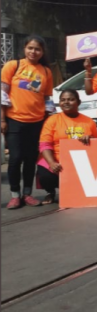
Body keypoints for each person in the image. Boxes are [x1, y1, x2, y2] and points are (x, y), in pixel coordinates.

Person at [1, 35, 55, 209]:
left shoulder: (46, 71)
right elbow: (2, 94)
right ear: (24, 48)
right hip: (14, 120)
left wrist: (48, 121)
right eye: (30, 48)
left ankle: (27, 194)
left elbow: (47, 99)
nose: (33, 52)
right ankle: (15, 195)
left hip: (37, 123)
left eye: (37, 49)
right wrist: (2, 119)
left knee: (31, 159)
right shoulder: (12, 66)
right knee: (15, 158)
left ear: (42, 52)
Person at [37, 89, 97, 204]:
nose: (66, 102)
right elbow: (44, 144)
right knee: (45, 173)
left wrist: (90, 139)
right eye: (63, 100)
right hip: (57, 160)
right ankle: (50, 192)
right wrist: (52, 163)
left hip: (81, 164)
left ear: (78, 102)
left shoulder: (89, 122)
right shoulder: (52, 120)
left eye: (71, 100)